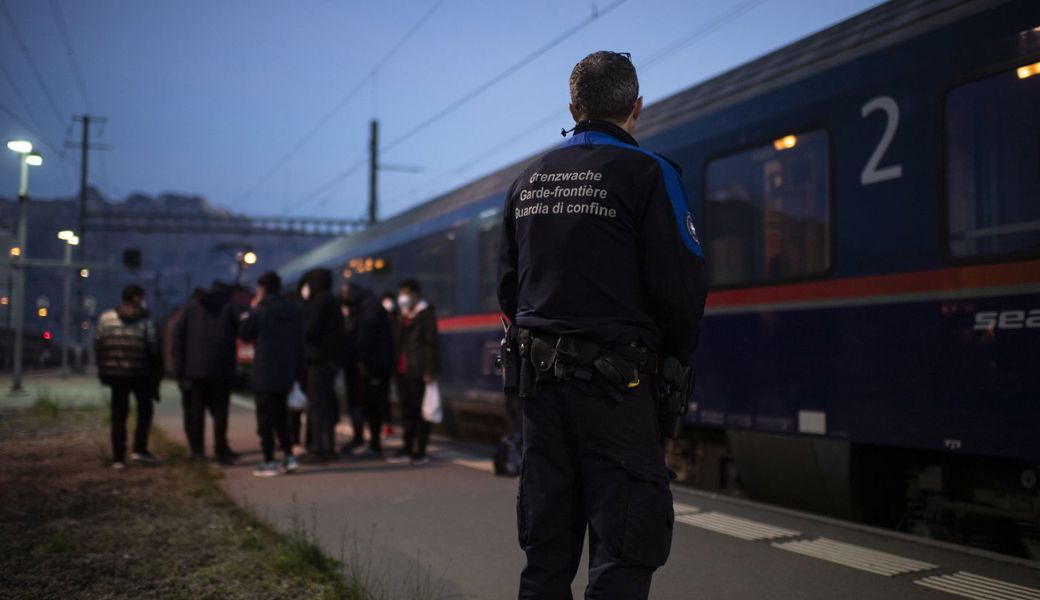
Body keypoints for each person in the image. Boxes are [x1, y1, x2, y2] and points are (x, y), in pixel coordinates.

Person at [497, 51, 707, 599]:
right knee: (621, 556)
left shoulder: (528, 181)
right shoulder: (651, 174)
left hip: (541, 396)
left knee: (544, 562)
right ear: (637, 106)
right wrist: (674, 364)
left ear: (573, 106)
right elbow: (681, 289)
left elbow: (507, 290)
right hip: (619, 393)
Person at [238, 272, 304, 477]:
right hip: (286, 371)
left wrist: (251, 309)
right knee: (282, 417)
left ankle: (269, 461)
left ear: (262, 288)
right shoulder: (293, 310)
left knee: (265, 419)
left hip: (265, 371)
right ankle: (289, 456)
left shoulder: (261, 310)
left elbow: (245, 333)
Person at [95, 284, 163, 469]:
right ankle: (139, 449)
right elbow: (153, 347)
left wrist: (103, 369)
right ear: (137, 298)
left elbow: (99, 345)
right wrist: (156, 374)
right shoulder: (145, 319)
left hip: (115, 375)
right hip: (140, 374)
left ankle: (118, 458)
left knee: (118, 414)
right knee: (145, 411)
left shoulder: (106, 318)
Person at [173, 281, 240, 465]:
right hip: (222, 369)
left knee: (197, 412)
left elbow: (178, 335)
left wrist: (181, 368)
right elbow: (242, 331)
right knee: (220, 413)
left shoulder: (192, 307)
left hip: (195, 370)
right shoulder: (229, 307)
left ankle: (198, 452)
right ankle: (221, 451)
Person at [387, 279, 439, 466]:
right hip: (403, 371)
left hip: (418, 370)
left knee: (421, 412)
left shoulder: (425, 315)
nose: (403, 298)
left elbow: (431, 344)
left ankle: (420, 450)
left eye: (406, 293)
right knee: (407, 411)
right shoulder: (403, 316)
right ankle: (408, 447)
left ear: (416, 295)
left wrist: (430, 370)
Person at [341, 282, 395, 458]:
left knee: (372, 404)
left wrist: (361, 359)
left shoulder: (367, 308)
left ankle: (373, 443)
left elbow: (366, 337)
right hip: (369, 365)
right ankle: (367, 441)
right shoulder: (367, 306)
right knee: (367, 404)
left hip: (371, 367)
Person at [299, 268, 345, 463]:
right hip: (331, 360)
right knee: (327, 405)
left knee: (316, 405)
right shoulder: (333, 300)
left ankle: (318, 449)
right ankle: (329, 447)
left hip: (318, 360)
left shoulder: (319, 301)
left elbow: (310, 328)